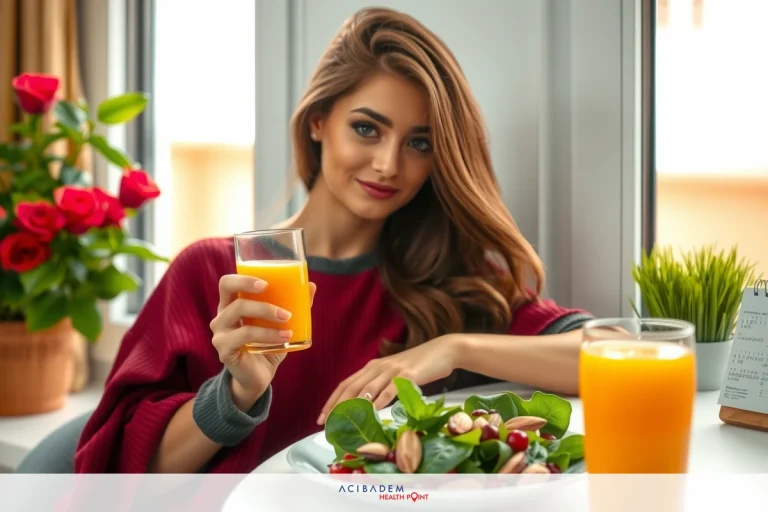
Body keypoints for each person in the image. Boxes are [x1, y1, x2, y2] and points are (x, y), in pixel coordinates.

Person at [68, 7, 593, 474]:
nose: (389, 165)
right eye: (367, 128)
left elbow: (613, 355)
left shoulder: (451, 282)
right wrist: (236, 393)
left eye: (419, 142)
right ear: (319, 122)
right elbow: (118, 472)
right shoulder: (211, 272)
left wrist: (450, 349)